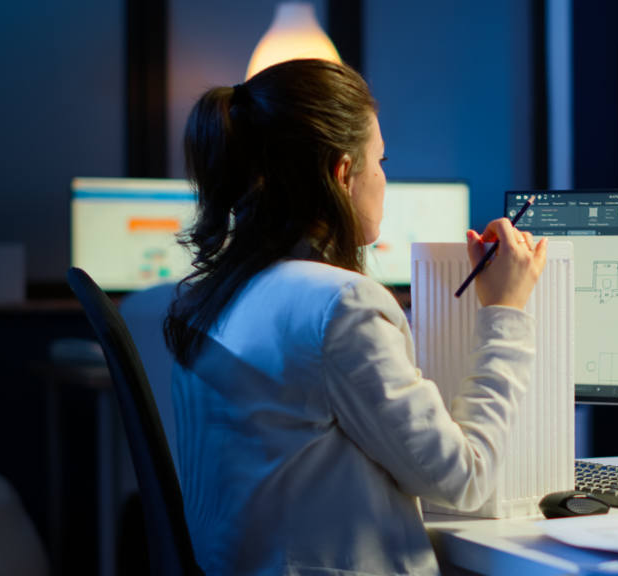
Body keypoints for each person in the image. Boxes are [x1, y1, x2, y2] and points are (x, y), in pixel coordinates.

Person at [164, 58, 548, 576]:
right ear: (343, 173)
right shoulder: (342, 304)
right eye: (381, 161)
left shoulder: (215, 296)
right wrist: (505, 312)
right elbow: (464, 479)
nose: (384, 178)